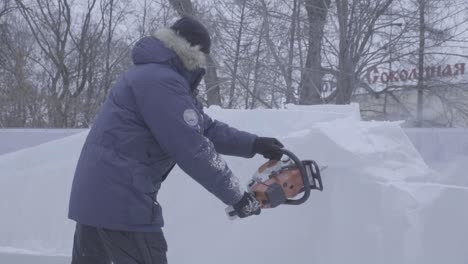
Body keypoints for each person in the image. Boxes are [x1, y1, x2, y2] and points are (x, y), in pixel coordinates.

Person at [68, 16, 284, 264]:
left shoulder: (150, 76)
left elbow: (204, 128)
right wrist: (237, 196)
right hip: (124, 202)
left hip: (96, 198)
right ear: (195, 53)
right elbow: (193, 149)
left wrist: (254, 144)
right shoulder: (162, 82)